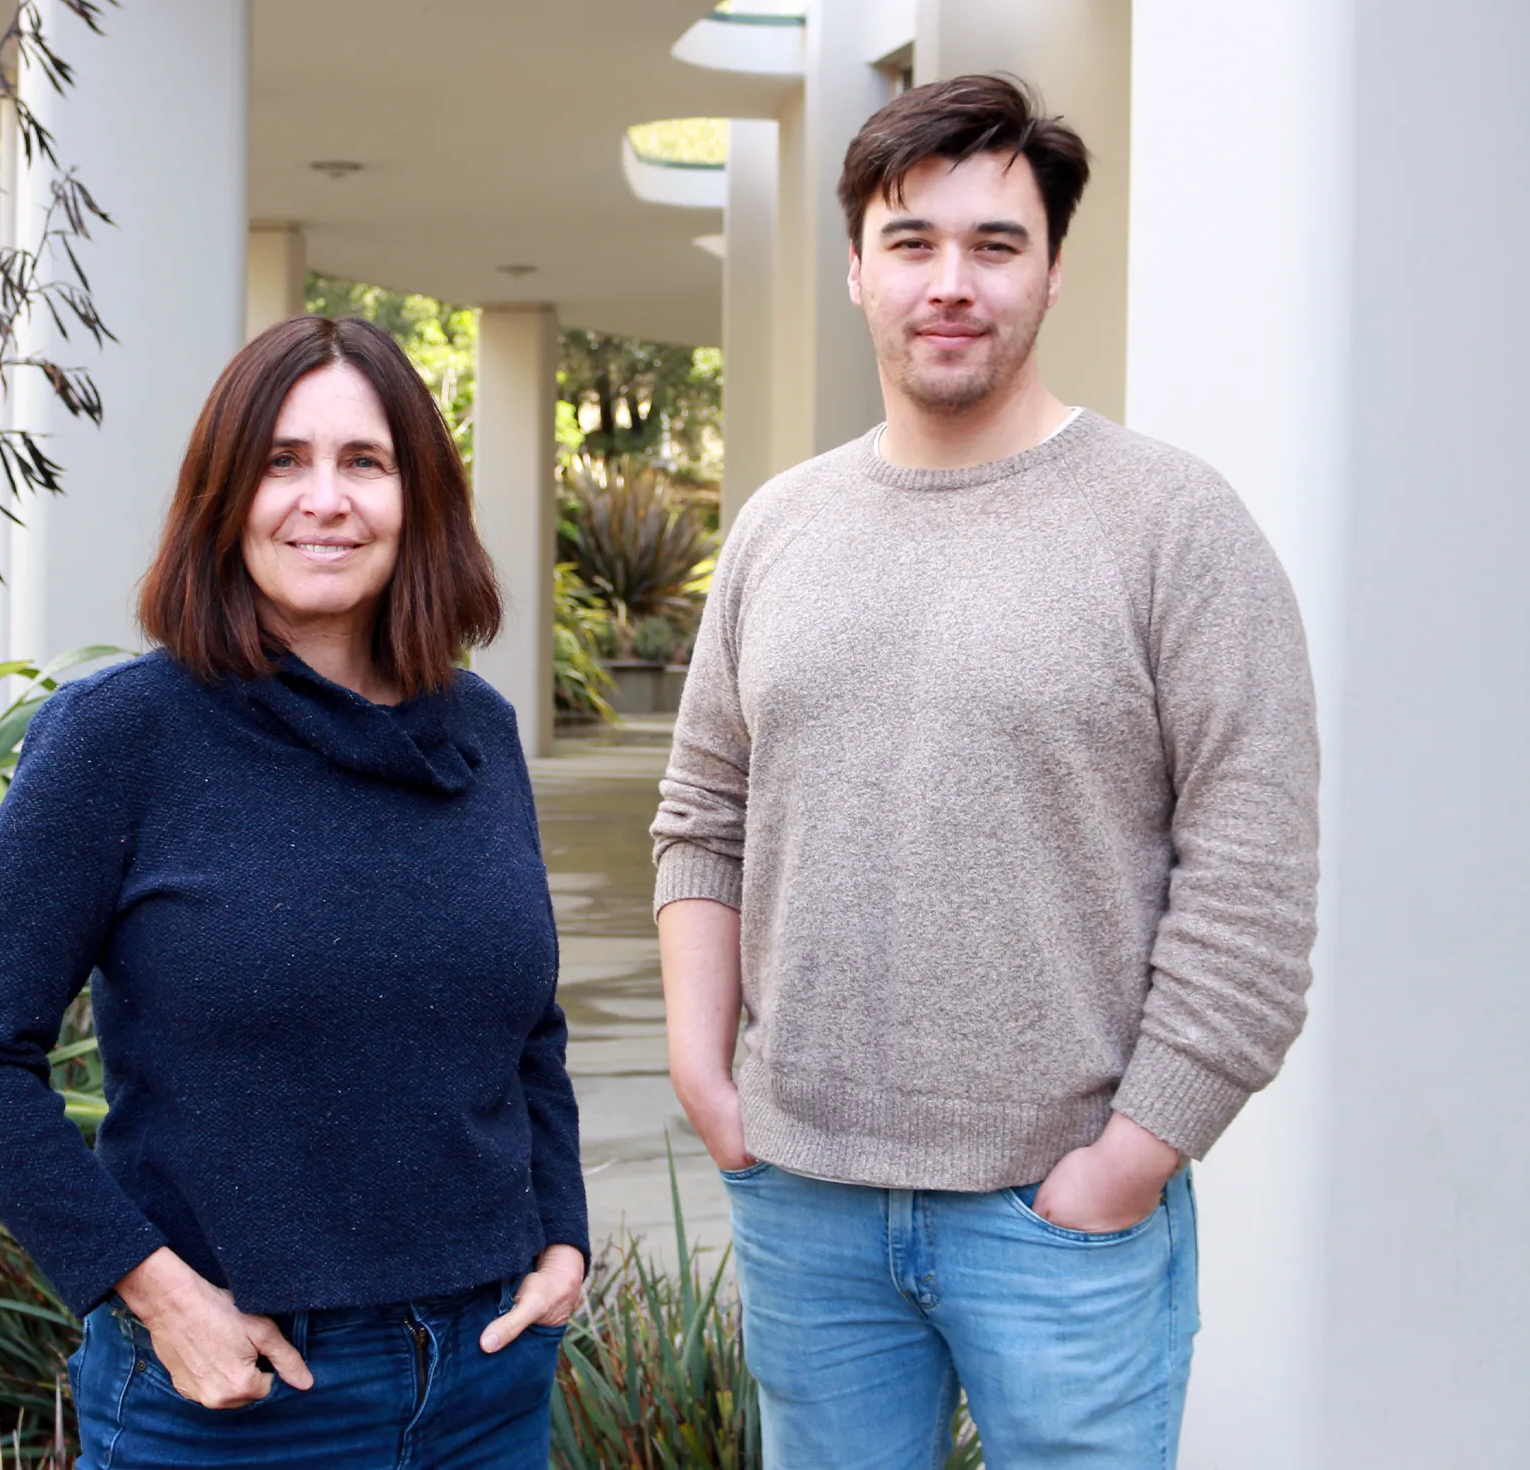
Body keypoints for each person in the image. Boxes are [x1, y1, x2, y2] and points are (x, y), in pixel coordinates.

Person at [651, 73, 1320, 1469]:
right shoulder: (780, 526)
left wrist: (1127, 1160)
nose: (949, 282)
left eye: (993, 244)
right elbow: (702, 813)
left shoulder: (1173, 527)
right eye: (911, 243)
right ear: (853, 269)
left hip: (1055, 1214)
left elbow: (1248, 886)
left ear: (1053, 270)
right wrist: (705, 1073)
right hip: (803, 1199)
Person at [0, 315, 587, 1469]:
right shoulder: (121, 736)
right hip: (237, 1394)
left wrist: (562, 1237)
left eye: (363, 462)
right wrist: (155, 1293)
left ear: (418, 499)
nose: (323, 498)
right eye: (282, 461)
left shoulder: (479, 731)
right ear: (222, 498)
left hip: (487, 1378)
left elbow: (526, 1027)